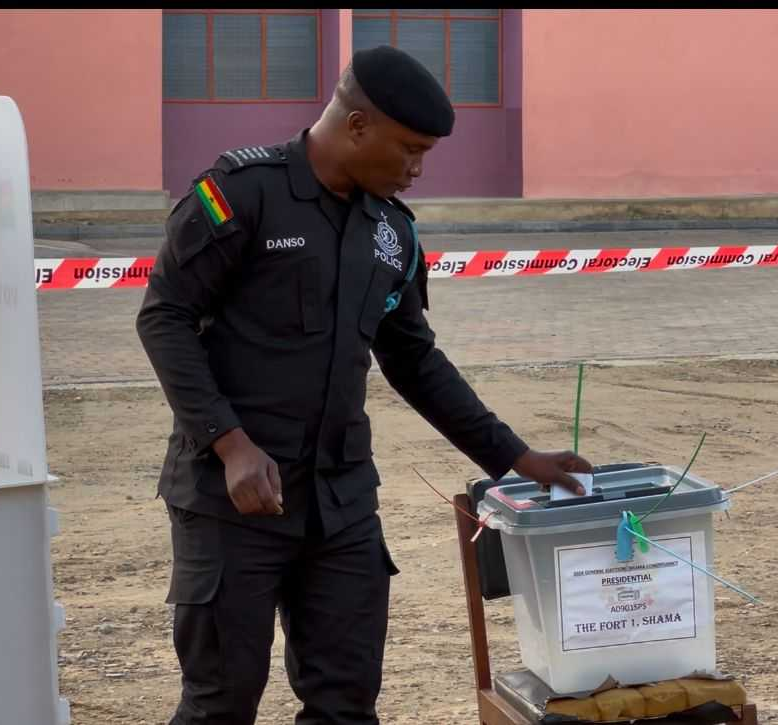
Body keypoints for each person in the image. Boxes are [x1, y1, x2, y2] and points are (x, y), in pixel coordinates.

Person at [135, 44, 592, 725]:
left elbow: (413, 359)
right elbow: (163, 318)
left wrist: (514, 459)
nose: (416, 170)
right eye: (408, 150)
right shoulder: (240, 195)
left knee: (347, 703)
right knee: (220, 702)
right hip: (233, 502)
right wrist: (229, 443)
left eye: (424, 154)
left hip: (341, 502)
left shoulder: (391, 234)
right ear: (355, 126)